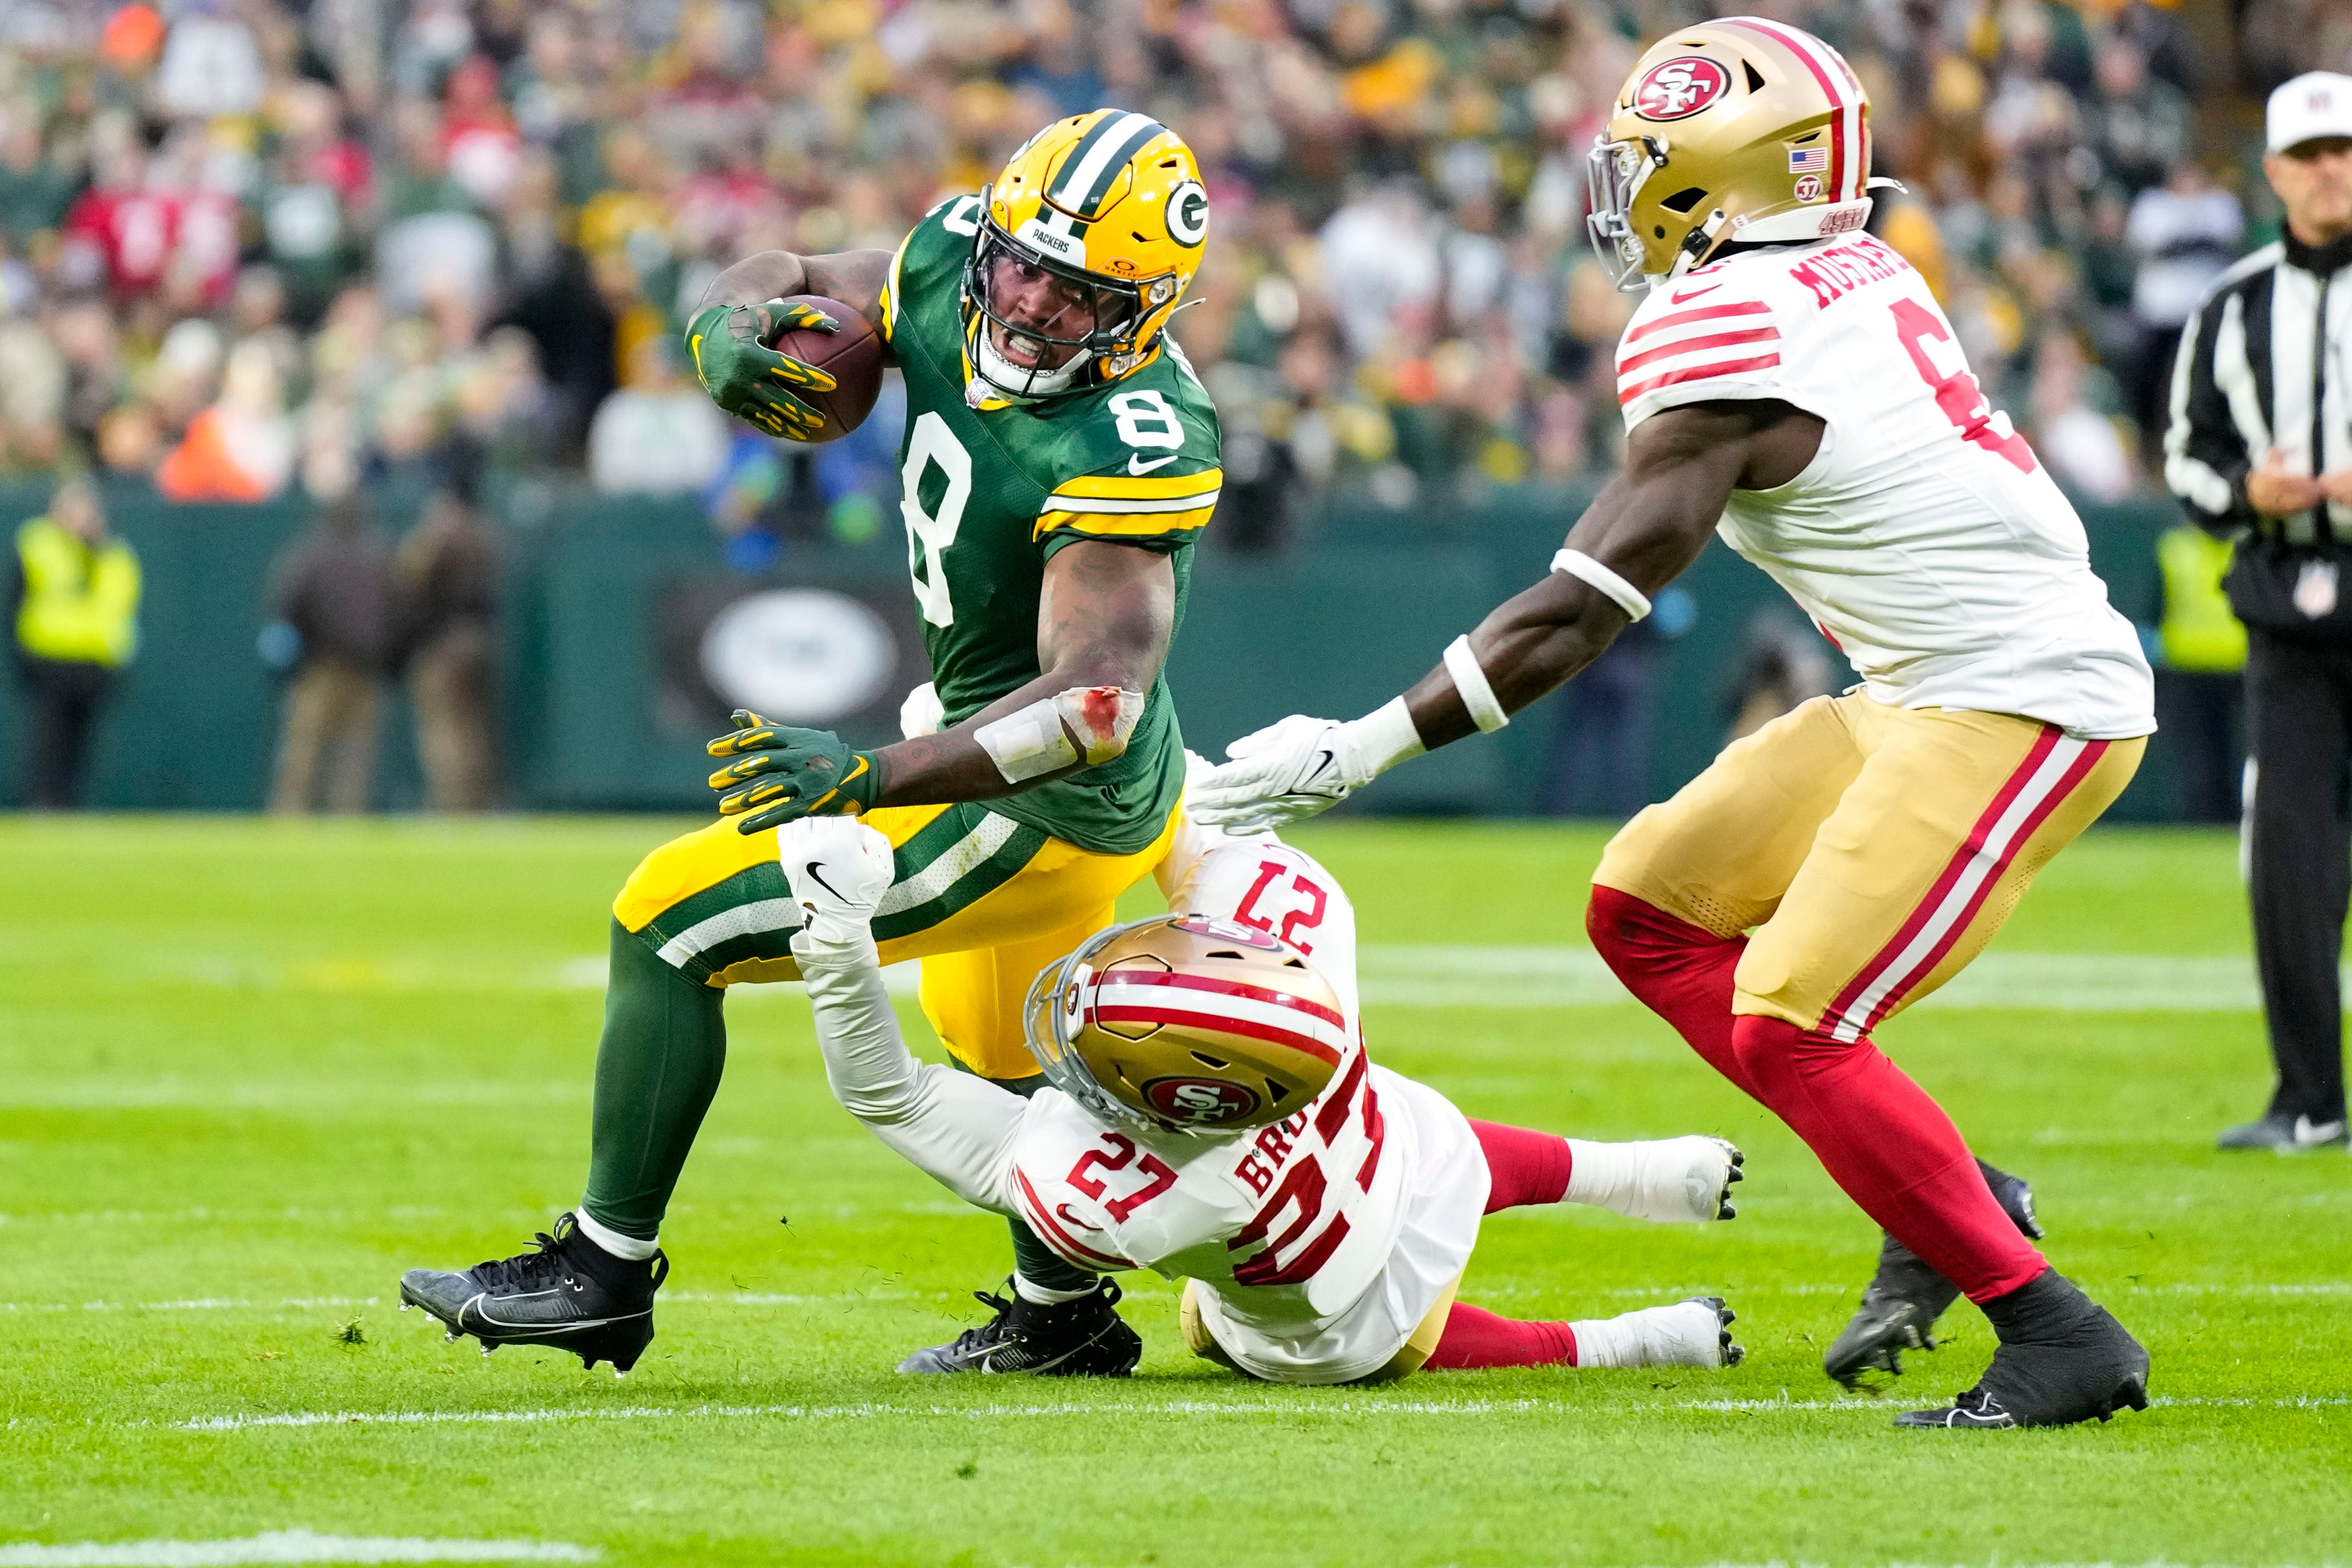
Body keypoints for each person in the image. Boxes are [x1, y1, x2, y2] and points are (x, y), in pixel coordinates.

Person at [1188, 19, 2155, 1431]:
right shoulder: (1852, 262)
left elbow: (1580, 611)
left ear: (1727, 177)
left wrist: (1361, 742)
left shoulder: (1727, 323)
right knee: (1646, 908)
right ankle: (1954, 1197)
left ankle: (2054, 1328)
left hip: (2023, 697)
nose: (1626, 192)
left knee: (1792, 1023)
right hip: (1917, 683)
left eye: (1653, 164)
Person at [398, 111, 1227, 1376]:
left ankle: (602, 1271)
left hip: (1046, 795)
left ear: (1142, 307)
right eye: (1016, 265)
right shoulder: (960, 250)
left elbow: (1092, 698)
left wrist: (866, 776)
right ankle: (1058, 1315)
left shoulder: (1137, 434)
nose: (1021, 302)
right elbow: (791, 275)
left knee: (667, 917)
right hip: (1016, 756)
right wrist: (723, 328)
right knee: (1005, 1048)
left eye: (1070, 296)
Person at [756, 811, 1747, 1383]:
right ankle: (1649, 1171)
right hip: (1406, 1149)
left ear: (1153, 1105)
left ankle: (1631, 1341)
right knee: (1420, 1132)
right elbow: (1194, 819)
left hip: (1342, 1315)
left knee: (1212, 1322)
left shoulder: (1104, 1189)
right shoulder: (1303, 929)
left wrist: (836, 931)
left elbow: (889, 1094)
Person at [2163, 72, 2352, 1153]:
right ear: (2274, 170)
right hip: (2284, 609)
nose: (2331, 171)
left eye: (2344, 152)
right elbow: (2186, 454)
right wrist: (2249, 495)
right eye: (2311, 154)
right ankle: (2311, 1099)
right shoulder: (2235, 304)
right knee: (2285, 858)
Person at [8, 477, 139, 808]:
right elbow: (16, 601)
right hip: (50, 657)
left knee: (83, 742)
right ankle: (44, 804)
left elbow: (120, 609)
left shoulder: (113, 554)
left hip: (94, 662)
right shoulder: (38, 545)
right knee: (50, 738)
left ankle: (70, 805)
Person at [266, 494, 392, 814]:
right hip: (366, 666)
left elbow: (289, 603)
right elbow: (399, 611)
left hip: (320, 665)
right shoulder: (379, 555)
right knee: (355, 753)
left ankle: (291, 819)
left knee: (304, 749)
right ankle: (347, 820)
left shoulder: (312, 554)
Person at [393, 490, 498, 812]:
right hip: (477, 640)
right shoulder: (485, 535)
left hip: (442, 645)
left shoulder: (437, 537)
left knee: (443, 730)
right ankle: (476, 804)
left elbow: (407, 579)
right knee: (473, 730)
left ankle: (451, 806)